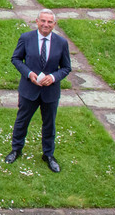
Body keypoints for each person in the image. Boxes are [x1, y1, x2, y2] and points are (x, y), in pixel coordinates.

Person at [5, 9, 72, 173]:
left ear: (54, 25)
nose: (46, 25)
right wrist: (29, 73)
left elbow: (66, 67)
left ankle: (48, 154)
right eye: (43, 21)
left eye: (49, 22)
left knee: (49, 124)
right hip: (29, 89)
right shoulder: (26, 38)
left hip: (50, 92)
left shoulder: (61, 43)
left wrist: (54, 77)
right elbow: (16, 59)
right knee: (22, 121)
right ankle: (16, 149)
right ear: (37, 21)